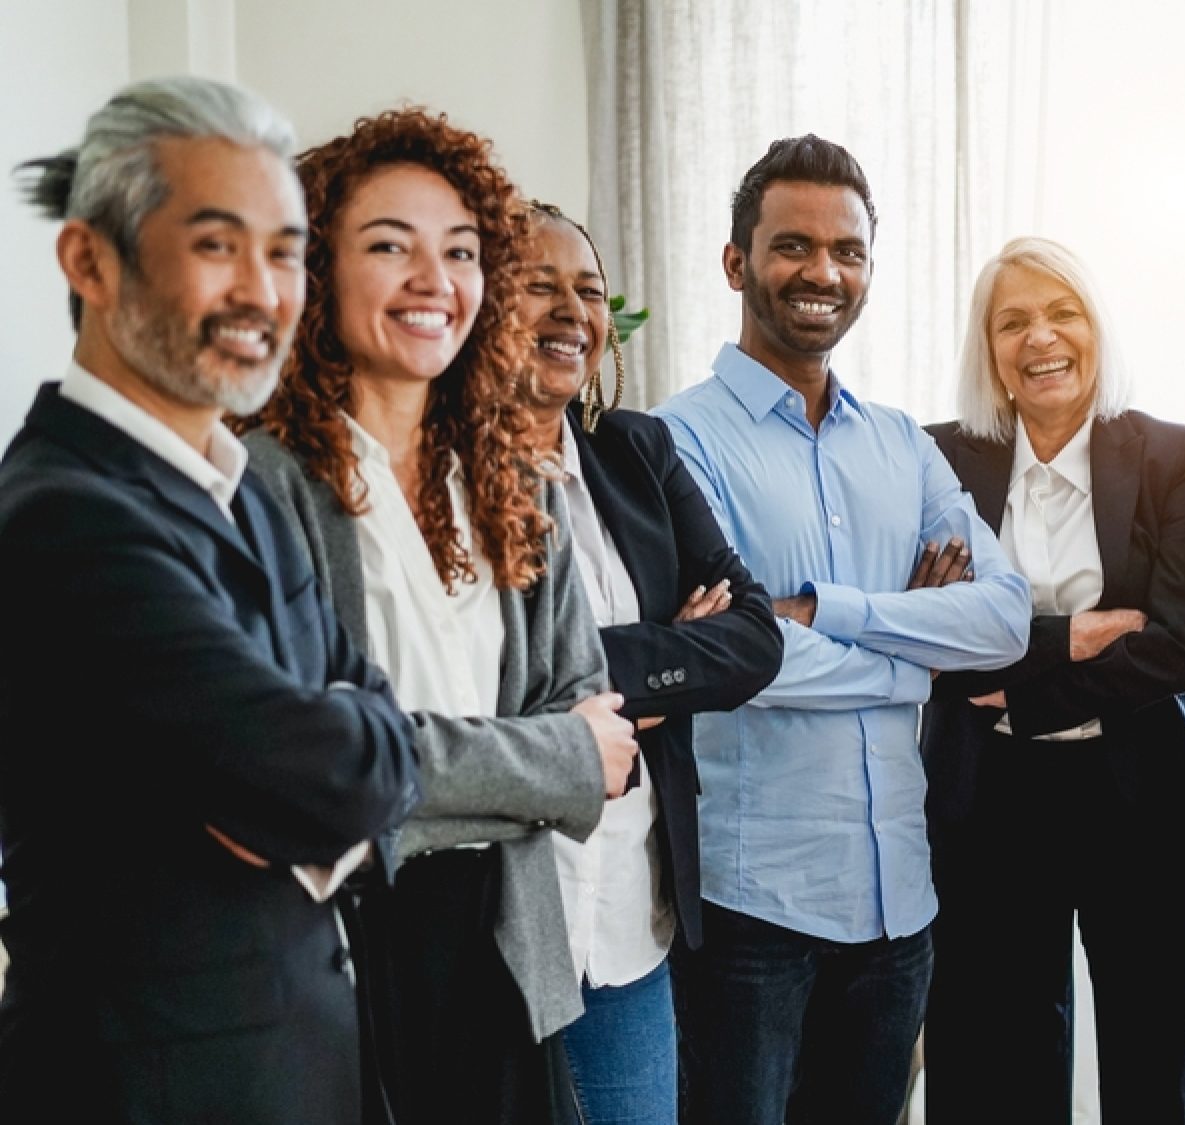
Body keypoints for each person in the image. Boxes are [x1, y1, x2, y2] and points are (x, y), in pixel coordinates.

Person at [0, 76, 419, 1123]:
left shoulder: (244, 481)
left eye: (284, 253)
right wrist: (333, 764)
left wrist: (331, 767)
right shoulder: (62, 516)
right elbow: (333, 773)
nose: (263, 292)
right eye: (218, 245)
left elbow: (371, 742)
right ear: (90, 260)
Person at [241, 109, 637, 1125]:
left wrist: (400, 782)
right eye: (389, 246)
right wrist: (541, 764)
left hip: (507, 951)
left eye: (459, 251)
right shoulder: (258, 487)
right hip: (334, 957)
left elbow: (594, 729)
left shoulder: (517, 484)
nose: (434, 279)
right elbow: (305, 770)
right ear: (317, 270)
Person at [656, 134, 1030, 1125]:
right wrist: (914, 659)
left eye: (848, 251)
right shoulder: (674, 441)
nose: (823, 271)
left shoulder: (901, 445)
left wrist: (831, 611)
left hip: (897, 905)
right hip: (752, 913)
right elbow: (732, 656)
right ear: (737, 263)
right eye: (793, 246)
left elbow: (1001, 620)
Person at [922, 237, 1185, 1123]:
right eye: (1012, 320)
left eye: (1063, 313)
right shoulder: (936, 458)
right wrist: (1069, 637)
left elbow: (1181, 646)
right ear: (988, 348)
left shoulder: (1177, 454)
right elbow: (927, 644)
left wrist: (1015, 684)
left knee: (1156, 1071)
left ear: (1097, 329)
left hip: (1146, 800)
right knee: (992, 1070)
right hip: (989, 802)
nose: (1040, 337)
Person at [516, 200, 784, 1124]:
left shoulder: (636, 450)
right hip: (506, 911)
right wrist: (668, 647)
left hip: (631, 911)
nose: (571, 311)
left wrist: (602, 679)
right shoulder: (442, 476)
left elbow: (753, 638)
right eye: (537, 285)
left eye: (586, 289)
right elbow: (491, 678)